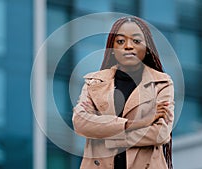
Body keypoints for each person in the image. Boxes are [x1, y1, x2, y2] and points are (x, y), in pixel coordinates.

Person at [72, 16, 174, 169]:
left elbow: (161, 132)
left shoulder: (161, 83)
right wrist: (138, 123)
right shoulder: (94, 83)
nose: (128, 46)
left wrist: (109, 136)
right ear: (112, 49)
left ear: (147, 48)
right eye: (120, 41)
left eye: (136, 41)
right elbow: (81, 123)